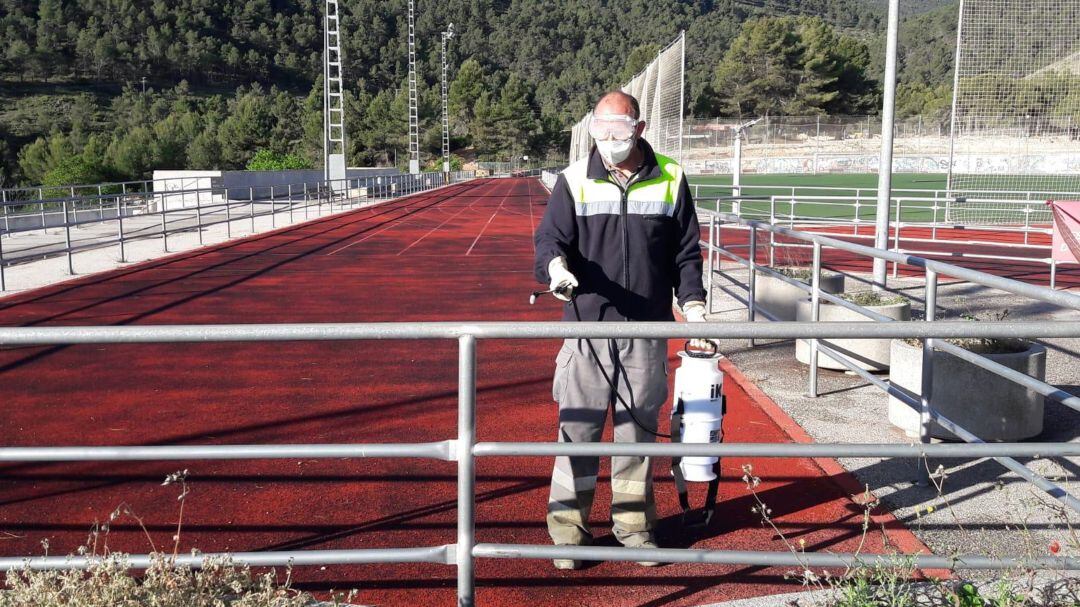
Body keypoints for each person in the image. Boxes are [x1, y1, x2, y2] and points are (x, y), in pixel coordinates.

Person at [533, 90, 709, 570]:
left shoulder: (671, 178)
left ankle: (634, 528)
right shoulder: (573, 179)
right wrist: (554, 268)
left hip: (647, 332)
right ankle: (569, 535)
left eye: (619, 130)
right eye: (601, 130)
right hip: (588, 328)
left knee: (637, 434)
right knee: (579, 430)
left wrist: (692, 304)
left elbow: (686, 252)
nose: (609, 140)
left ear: (640, 127)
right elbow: (550, 237)